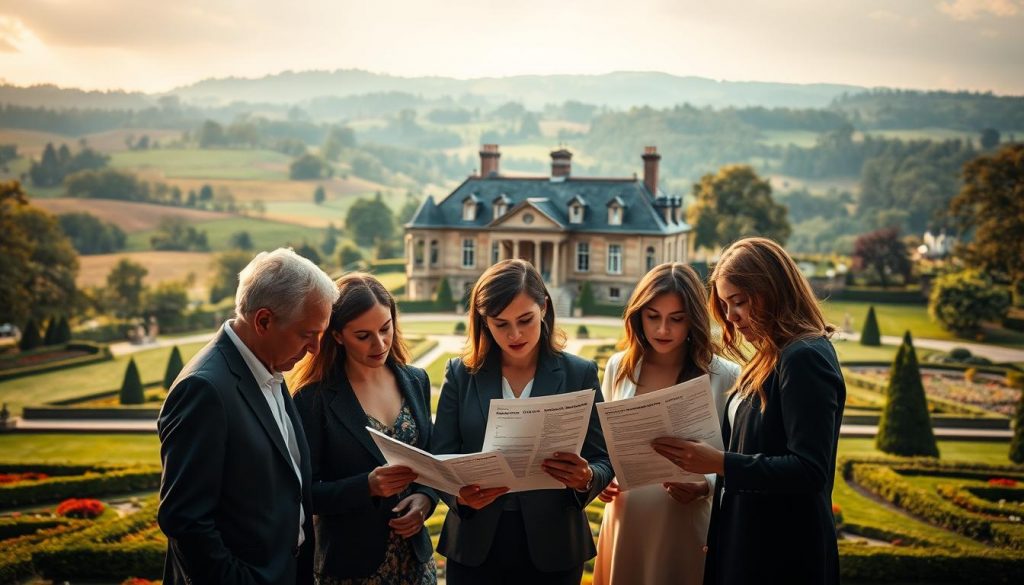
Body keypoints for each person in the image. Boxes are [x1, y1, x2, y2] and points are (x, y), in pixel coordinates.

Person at [651, 237, 846, 585]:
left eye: (738, 302)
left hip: (783, 556)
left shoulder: (805, 357)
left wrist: (718, 463)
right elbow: (756, 451)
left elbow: (810, 470)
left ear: (771, 290)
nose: (731, 317)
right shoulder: (770, 354)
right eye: (725, 306)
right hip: (747, 542)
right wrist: (711, 484)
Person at [158, 248, 339, 585]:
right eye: (307, 334)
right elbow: (186, 521)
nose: (315, 348)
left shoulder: (269, 364)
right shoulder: (205, 390)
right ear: (264, 321)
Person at [430, 259, 613, 585]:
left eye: (525, 320)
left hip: (555, 546)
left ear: (544, 307)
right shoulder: (460, 373)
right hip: (475, 545)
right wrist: (458, 496)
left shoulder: (579, 373)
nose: (514, 334)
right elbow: (439, 455)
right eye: (500, 324)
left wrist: (586, 478)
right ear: (484, 322)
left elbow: (603, 459)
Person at [593, 263, 739, 585]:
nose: (662, 330)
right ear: (638, 316)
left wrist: (705, 487)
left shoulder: (726, 376)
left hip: (685, 524)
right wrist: (601, 479)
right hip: (626, 519)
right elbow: (602, 447)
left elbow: (740, 461)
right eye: (653, 317)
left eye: (676, 319)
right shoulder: (619, 367)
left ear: (694, 319)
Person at [291, 273, 438, 584]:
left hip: (415, 563)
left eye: (385, 329)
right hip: (350, 568)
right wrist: (367, 486)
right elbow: (303, 495)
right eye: (363, 335)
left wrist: (425, 499)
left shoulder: (416, 380)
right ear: (338, 335)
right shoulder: (312, 399)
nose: (380, 343)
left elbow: (431, 461)